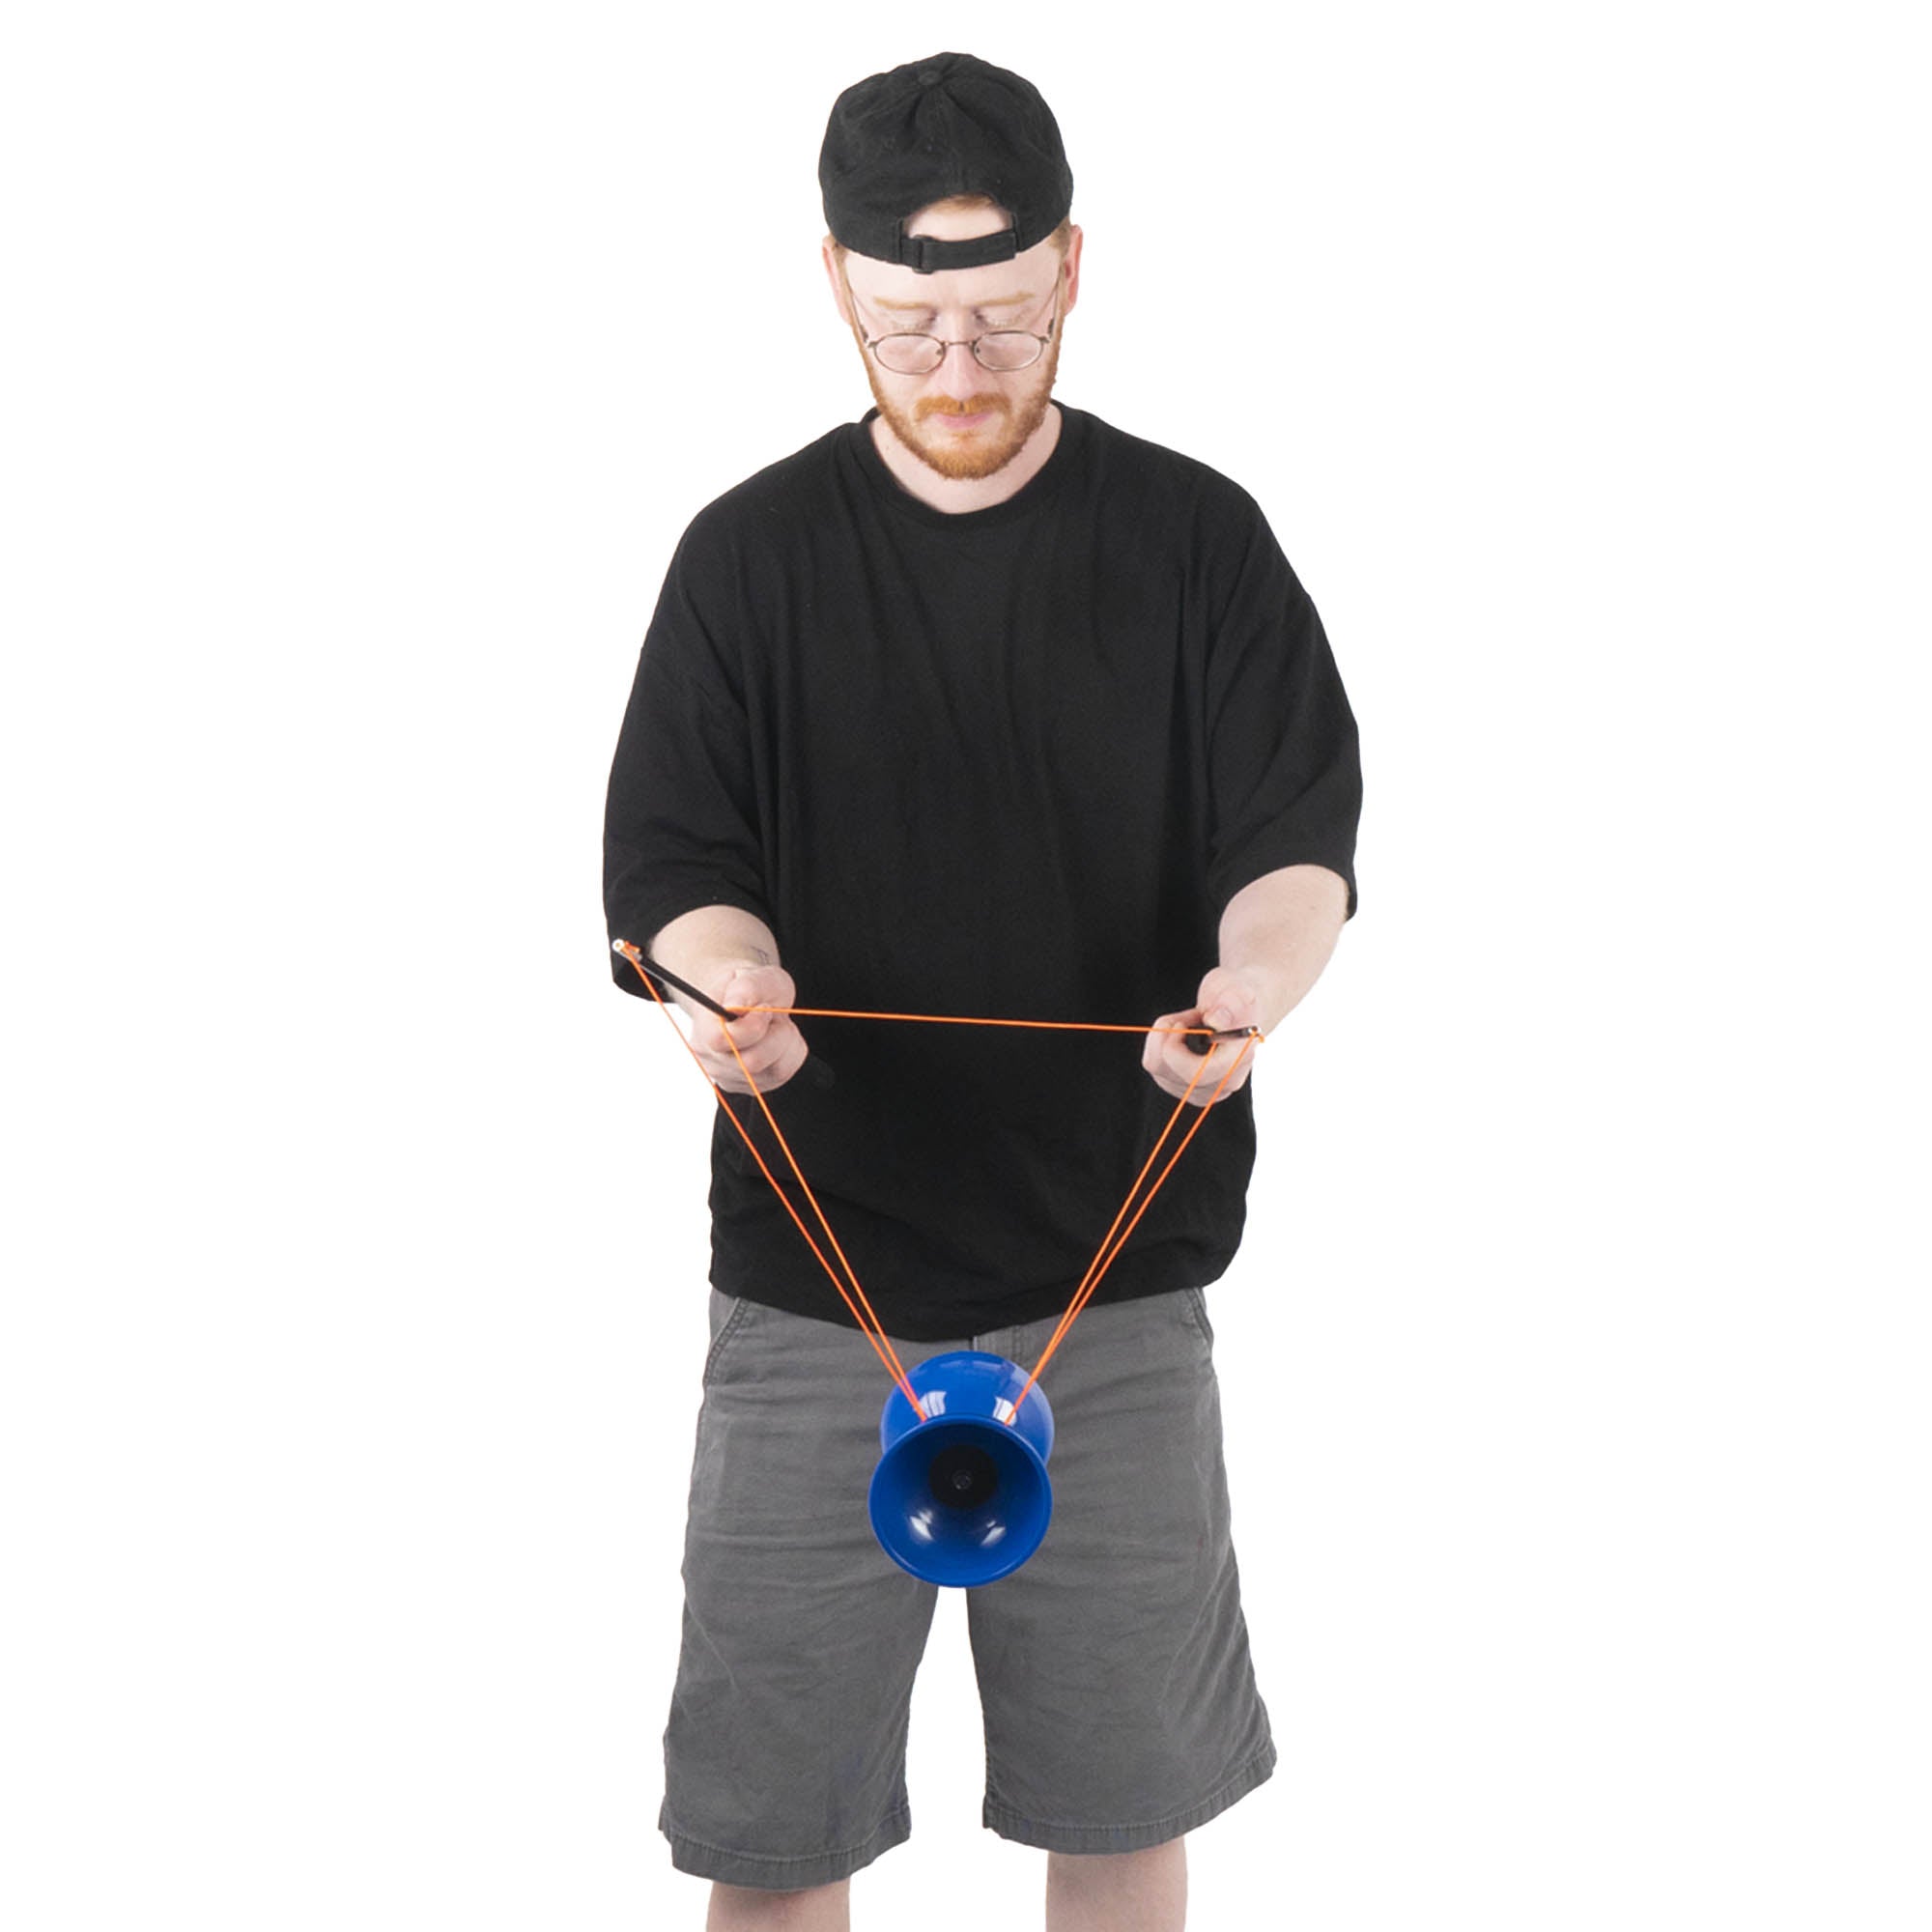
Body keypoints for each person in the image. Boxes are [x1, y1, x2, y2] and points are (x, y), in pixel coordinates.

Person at [604, 52, 1361, 1932]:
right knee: (774, 1839)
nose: (957, 365)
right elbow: (670, 866)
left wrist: (1251, 986)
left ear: (1072, 269)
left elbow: (1296, 842)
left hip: (1117, 1283)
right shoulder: (746, 559)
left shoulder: (1195, 542)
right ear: (837, 287)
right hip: (813, 1294)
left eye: (1003, 317)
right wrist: (731, 986)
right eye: (909, 323)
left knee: (1120, 1809)